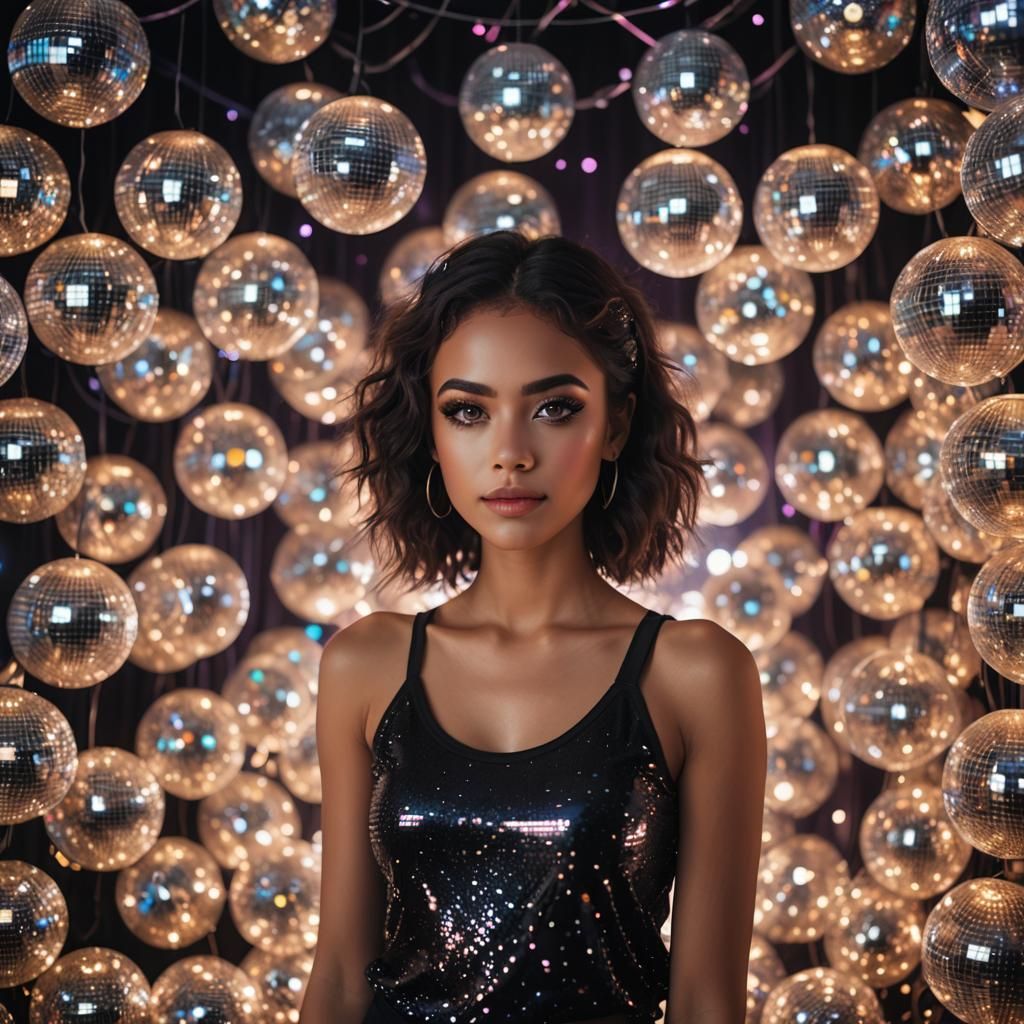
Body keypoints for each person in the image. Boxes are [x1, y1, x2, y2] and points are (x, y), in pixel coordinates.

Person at [299, 231, 767, 1024]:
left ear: (615, 426)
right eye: (469, 412)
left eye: (554, 408)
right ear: (434, 436)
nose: (510, 453)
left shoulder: (696, 674)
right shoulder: (364, 665)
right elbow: (342, 973)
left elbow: (706, 1002)